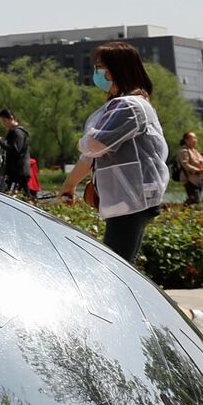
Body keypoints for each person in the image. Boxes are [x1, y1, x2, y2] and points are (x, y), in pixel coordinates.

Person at [59, 42, 170, 264]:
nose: (97, 72)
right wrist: (69, 185)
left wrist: (83, 141)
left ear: (118, 69)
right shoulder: (125, 104)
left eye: (101, 67)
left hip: (132, 199)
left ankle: (131, 299)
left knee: (116, 268)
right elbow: (91, 156)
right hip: (128, 199)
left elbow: (93, 145)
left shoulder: (129, 106)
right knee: (120, 264)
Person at [0, 109, 32, 199]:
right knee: (10, 195)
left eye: (4, 121)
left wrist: (0, 141)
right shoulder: (13, 132)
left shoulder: (18, 132)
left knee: (14, 196)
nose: (3, 124)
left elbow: (15, 150)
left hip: (19, 171)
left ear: (10, 118)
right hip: (14, 171)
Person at [177, 131, 203, 206]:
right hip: (189, 179)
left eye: (195, 138)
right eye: (193, 138)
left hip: (198, 179)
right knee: (194, 199)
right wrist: (198, 170)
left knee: (196, 199)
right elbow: (186, 165)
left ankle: (187, 212)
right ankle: (183, 211)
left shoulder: (196, 151)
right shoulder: (184, 151)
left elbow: (201, 163)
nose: (195, 140)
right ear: (186, 140)